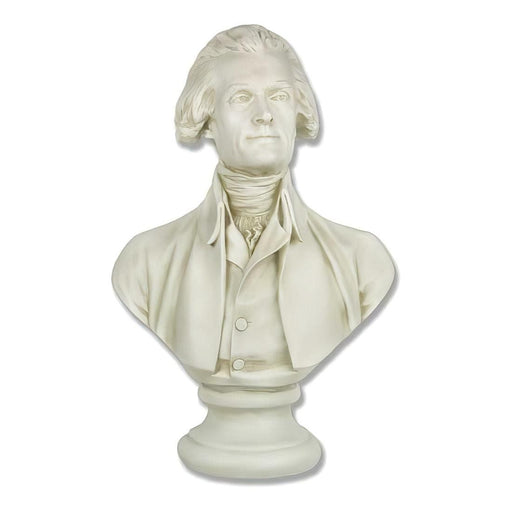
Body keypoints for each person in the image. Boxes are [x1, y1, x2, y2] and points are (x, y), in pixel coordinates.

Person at [112, 25, 395, 388]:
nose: (264, 114)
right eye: (242, 97)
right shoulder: (145, 263)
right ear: (208, 120)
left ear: (298, 111)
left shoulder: (361, 263)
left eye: (279, 96)